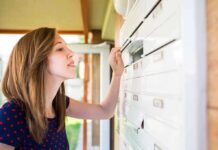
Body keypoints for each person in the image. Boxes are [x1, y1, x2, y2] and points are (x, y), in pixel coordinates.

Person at [0, 27, 124, 149]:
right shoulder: (11, 114)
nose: (71, 53)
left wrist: (117, 74)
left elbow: (105, 112)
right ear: (37, 59)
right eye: (59, 48)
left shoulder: (59, 104)